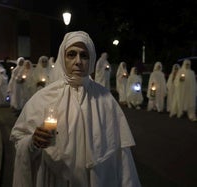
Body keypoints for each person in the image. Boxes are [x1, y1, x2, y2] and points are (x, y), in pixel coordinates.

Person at [10, 31, 141, 187]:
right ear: (63, 58)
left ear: (91, 59)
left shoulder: (105, 99)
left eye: (84, 55)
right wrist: (33, 141)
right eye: (71, 55)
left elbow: (122, 157)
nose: (78, 61)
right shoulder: (44, 97)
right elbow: (19, 138)